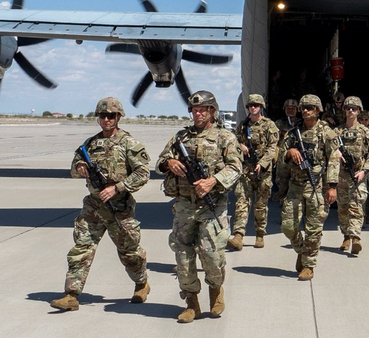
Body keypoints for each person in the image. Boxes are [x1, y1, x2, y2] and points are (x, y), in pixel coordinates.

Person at [50, 97, 151, 312]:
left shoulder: (129, 144)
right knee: (82, 248)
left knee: (130, 253)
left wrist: (118, 188)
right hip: (94, 206)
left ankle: (141, 283)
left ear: (118, 117)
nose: (106, 119)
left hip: (119, 208)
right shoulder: (91, 144)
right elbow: (75, 164)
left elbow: (143, 173)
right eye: (103, 116)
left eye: (111, 116)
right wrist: (80, 166)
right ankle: (71, 295)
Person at [157, 90, 243, 323]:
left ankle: (216, 291)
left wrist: (213, 181)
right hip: (184, 205)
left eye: (202, 109)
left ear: (212, 111)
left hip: (211, 205)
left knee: (212, 256)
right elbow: (160, 161)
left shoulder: (225, 137)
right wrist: (170, 162)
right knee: (183, 256)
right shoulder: (180, 137)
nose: (198, 113)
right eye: (194, 110)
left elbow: (236, 167)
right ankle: (191, 303)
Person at [281, 94, 340, 281]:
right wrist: (290, 151)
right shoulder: (294, 132)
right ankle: (302, 250)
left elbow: (334, 160)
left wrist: (332, 186)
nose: (305, 110)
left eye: (310, 107)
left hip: (317, 186)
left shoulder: (326, 132)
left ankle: (308, 265)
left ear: (318, 110)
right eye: (303, 107)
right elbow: (282, 152)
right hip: (296, 185)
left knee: (314, 228)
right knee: (288, 226)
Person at [230, 94, 279, 250]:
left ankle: (259, 234)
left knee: (260, 205)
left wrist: (263, 163)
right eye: (251, 105)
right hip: (246, 170)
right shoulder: (243, 126)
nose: (253, 107)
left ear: (261, 107)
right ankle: (238, 235)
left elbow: (273, 148)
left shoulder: (269, 125)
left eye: (256, 105)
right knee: (241, 203)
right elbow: (233, 143)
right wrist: (240, 147)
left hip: (262, 172)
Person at [333, 96, 369, 254]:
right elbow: (327, 148)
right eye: (347, 108)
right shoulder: (337, 132)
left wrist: (364, 171)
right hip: (340, 176)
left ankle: (356, 238)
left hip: (357, 176)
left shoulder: (366, 133)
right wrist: (335, 152)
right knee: (342, 209)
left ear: (359, 111)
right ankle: (346, 236)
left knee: (356, 207)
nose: (350, 111)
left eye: (354, 108)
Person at [271, 99, 300, 202]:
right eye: (288, 108)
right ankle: (280, 193)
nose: (290, 110)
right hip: (282, 152)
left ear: (297, 109)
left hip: (297, 152)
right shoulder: (279, 123)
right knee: (281, 176)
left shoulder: (301, 123)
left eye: (293, 108)